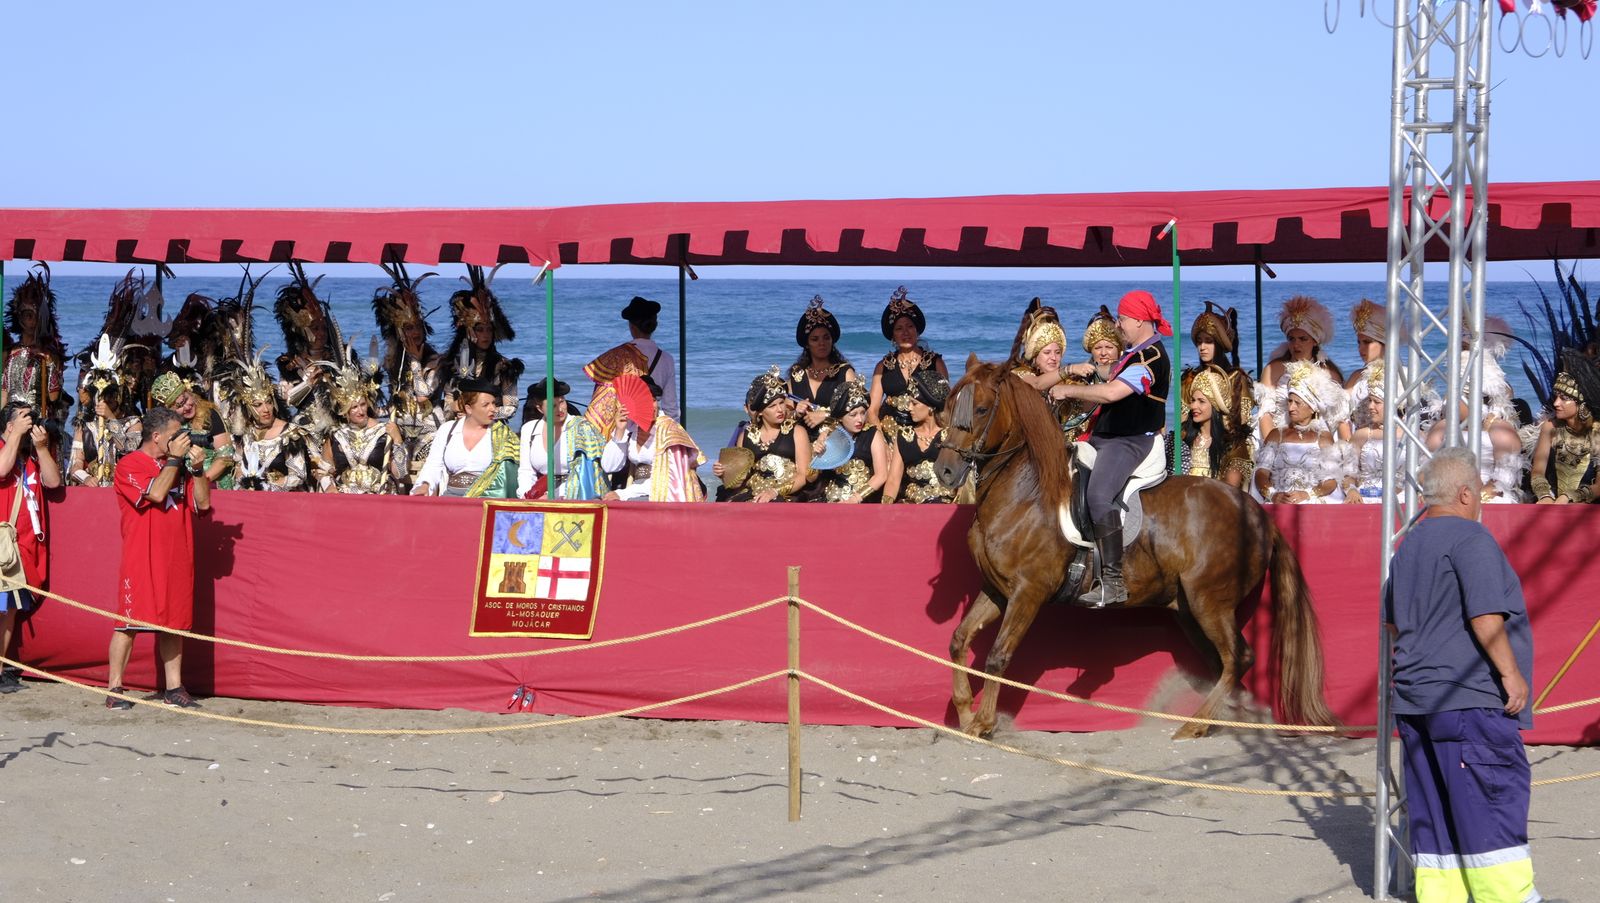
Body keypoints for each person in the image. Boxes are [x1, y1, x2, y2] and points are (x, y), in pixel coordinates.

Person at [1383, 447, 1540, 903]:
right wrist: (1511, 676)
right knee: (1490, 801)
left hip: (1415, 699)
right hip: (1468, 698)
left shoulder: (1407, 544)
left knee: (1433, 811)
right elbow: (1485, 616)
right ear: (1467, 492)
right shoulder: (1472, 540)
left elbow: (1393, 623)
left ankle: (1442, 897)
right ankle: (1510, 898)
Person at [1053, 290, 1173, 607]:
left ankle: (1113, 582)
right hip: (1108, 437)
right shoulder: (1134, 353)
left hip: (1130, 441)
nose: (1118, 325)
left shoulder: (1151, 358)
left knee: (1097, 496)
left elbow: (1111, 393)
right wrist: (1078, 369)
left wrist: (1067, 389)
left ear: (1137, 319)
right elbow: (1110, 374)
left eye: (1121, 319)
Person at [105, 406, 212, 710]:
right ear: (156, 436)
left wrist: (198, 470)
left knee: (173, 624)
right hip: (142, 555)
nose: (181, 439)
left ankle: (174, 687)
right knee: (129, 622)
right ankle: (115, 688)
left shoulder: (177, 464)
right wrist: (176, 461)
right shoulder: (129, 464)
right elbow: (154, 494)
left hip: (177, 554)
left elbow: (202, 505)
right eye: (175, 434)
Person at [0, 403, 64, 694]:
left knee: (9, 610)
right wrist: (13, 436)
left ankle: (1, 669)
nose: (32, 423)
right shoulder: (5, 450)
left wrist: (40, 448)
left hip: (25, 546)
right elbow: (2, 470)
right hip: (5, 545)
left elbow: (52, 481)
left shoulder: (31, 457)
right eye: (25, 418)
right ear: (9, 426)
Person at [374, 259, 446, 489]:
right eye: (407, 328)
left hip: (430, 429)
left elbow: (423, 395)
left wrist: (416, 360)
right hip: (402, 427)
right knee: (396, 471)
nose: (413, 333)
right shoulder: (393, 362)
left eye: (416, 326)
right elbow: (396, 400)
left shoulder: (436, 360)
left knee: (424, 474)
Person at [1254, 362, 1349, 505]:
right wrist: (1273, 495)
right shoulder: (1276, 435)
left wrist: (1307, 495)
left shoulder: (1323, 438)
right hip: (1278, 502)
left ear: (1312, 408)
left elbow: (1330, 481)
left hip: (1310, 503)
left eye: (1297, 403)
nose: (1291, 408)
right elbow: (1261, 473)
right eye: (1290, 401)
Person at [599, 373, 704, 502]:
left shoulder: (669, 430)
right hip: (638, 490)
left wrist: (624, 493)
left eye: (654, 400)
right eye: (645, 400)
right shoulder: (630, 428)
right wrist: (619, 431)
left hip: (666, 494)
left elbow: (668, 479)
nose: (652, 406)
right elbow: (610, 467)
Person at [714, 368, 812, 502]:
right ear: (760, 412)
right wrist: (723, 473)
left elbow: (802, 476)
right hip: (753, 494)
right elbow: (739, 482)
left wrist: (775, 492)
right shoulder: (746, 435)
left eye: (782, 403)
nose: (780, 409)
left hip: (787, 495)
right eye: (772, 406)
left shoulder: (797, 432)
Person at [441, 265, 524, 421]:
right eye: (480, 329)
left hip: (492, 428)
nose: (486, 335)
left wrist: (483, 413)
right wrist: (456, 408)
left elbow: (511, 406)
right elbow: (448, 402)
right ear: (469, 330)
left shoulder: (503, 366)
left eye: (489, 330)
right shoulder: (453, 364)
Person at [413, 378, 520, 498]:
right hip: (451, 498)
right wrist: (425, 485)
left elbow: (513, 474)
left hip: (487, 499)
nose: (493, 409)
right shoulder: (447, 430)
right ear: (469, 409)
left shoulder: (502, 434)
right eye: (486, 405)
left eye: (494, 403)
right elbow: (433, 465)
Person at [1257, 295, 1344, 439]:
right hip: (1279, 439)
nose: (1296, 345)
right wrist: (1271, 446)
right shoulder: (1274, 370)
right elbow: (1265, 414)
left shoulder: (1330, 374)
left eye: (1303, 339)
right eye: (1292, 339)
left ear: (1315, 341)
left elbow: (1336, 419)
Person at [315, 358, 406, 495]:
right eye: (354, 407)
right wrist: (329, 486)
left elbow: (401, 473)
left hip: (379, 496)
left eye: (363, 405)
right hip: (345, 497)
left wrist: (398, 441)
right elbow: (323, 470)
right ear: (346, 412)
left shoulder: (384, 432)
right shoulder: (336, 435)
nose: (360, 411)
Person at [868, 286, 949, 437]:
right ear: (893, 335)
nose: (905, 332)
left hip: (926, 435)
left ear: (917, 331)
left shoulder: (935, 363)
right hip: (889, 434)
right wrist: (882, 442)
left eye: (910, 326)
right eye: (899, 328)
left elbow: (945, 406)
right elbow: (872, 411)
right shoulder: (882, 366)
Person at [584, 296, 679, 421]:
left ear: (631, 326)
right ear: (654, 325)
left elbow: (602, 400)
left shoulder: (616, 356)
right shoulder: (667, 359)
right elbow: (670, 408)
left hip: (622, 426)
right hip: (651, 425)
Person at [516, 378, 609, 500]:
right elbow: (526, 470)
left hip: (575, 492)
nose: (560, 409)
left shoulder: (581, 428)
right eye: (553, 405)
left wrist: (553, 495)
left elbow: (584, 472)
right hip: (539, 491)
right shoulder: (529, 429)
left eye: (562, 402)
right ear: (540, 408)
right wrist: (526, 495)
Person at [68, 337, 142, 487]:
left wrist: (111, 418)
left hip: (123, 488)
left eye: (111, 395)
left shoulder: (133, 423)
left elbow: (130, 449)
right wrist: (86, 478)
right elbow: (75, 465)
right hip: (94, 491)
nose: (107, 400)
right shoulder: (85, 426)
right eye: (102, 396)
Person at [2, 263, 70, 425]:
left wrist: (50, 364)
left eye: (35, 316)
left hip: (36, 421)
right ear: (19, 316)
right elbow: (4, 392)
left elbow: (53, 397)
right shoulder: (9, 352)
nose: (31, 321)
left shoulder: (49, 354)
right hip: (8, 422)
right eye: (27, 315)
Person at [1530, 349, 1600, 504]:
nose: (1556, 403)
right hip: (1552, 502)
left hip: (1587, 509)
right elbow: (1537, 471)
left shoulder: (1597, 432)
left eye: (1564, 399)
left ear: (1581, 403)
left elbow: (1599, 486)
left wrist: (1570, 496)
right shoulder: (1550, 427)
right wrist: (1545, 495)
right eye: (1556, 397)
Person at [150, 372, 236, 490]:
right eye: (179, 406)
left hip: (212, 483)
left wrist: (201, 482)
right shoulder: (167, 426)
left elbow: (225, 456)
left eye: (185, 400)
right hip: (181, 486)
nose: (186, 407)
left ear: (189, 393)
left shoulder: (210, 415)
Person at [882, 370, 955, 504]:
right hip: (909, 507)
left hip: (944, 506)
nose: (908, 408)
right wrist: (885, 509)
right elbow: (893, 480)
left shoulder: (951, 436)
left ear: (930, 406)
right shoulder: (903, 436)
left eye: (914, 403)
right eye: (909, 402)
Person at [787, 296, 857, 433]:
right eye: (815, 339)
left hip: (836, 443)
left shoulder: (845, 372)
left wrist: (825, 415)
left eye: (826, 337)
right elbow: (785, 415)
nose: (822, 343)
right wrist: (797, 412)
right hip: (802, 441)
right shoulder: (797, 375)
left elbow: (856, 411)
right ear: (807, 344)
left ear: (832, 341)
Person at [814, 380, 887, 503]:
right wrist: (816, 456)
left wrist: (855, 499)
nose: (860, 419)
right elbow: (811, 478)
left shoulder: (873, 435)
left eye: (863, 413)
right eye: (853, 415)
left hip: (862, 498)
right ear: (840, 417)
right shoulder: (829, 434)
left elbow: (881, 476)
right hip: (831, 497)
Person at [1180, 369, 1254, 489]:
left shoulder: (1233, 445)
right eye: (1193, 400)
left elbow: (1230, 492)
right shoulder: (1183, 438)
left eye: (1201, 401)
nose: (1193, 406)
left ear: (1216, 405)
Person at [1343, 364, 1393, 504]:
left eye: (1376, 402)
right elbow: (1347, 473)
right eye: (1369, 401)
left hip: (1400, 501)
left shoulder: (1412, 436)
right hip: (1364, 500)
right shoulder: (1361, 435)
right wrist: (1351, 490)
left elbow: (1423, 475)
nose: (1370, 406)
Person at [1345, 299, 1387, 430]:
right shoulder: (1356, 377)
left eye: (1367, 342)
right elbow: (1340, 416)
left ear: (1384, 343)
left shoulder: (1400, 375)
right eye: (1359, 342)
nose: (1361, 348)